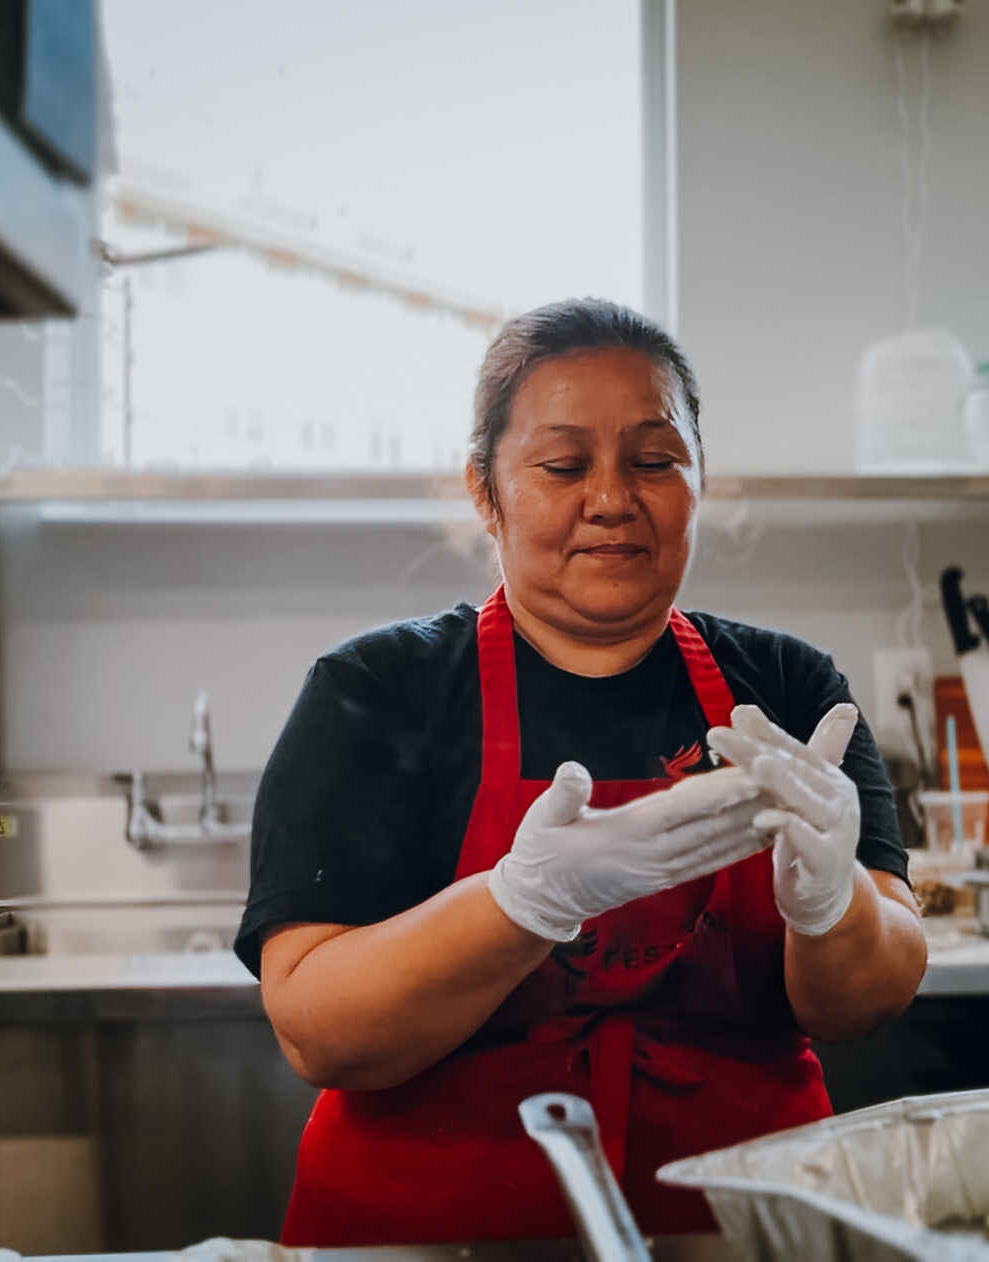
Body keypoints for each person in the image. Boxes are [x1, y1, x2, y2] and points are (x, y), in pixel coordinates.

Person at [238, 297, 927, 1246]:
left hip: (731, 1226)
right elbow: (317, 1028)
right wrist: (521, 903)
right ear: (485, 489)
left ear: (697, 483)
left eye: (654, 461)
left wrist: (829, 903)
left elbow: (870, 997)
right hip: (429, 1232)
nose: (611, 498)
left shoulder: (789, 692)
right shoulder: (377, 693)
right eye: (564, 465)